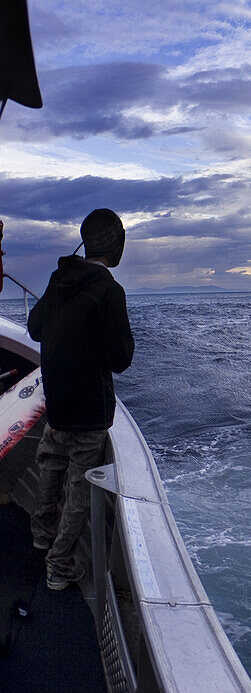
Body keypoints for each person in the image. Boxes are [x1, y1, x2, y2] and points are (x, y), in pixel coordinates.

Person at [28, 209, 134, 591]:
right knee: (77, 490)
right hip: (89, 413)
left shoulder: (60, 279)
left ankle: (40, 536)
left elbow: (35, 327)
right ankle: (58, 567)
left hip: (57, 404)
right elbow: (121, 359)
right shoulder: (110, 291)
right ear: (114, 244)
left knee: (50, 471)